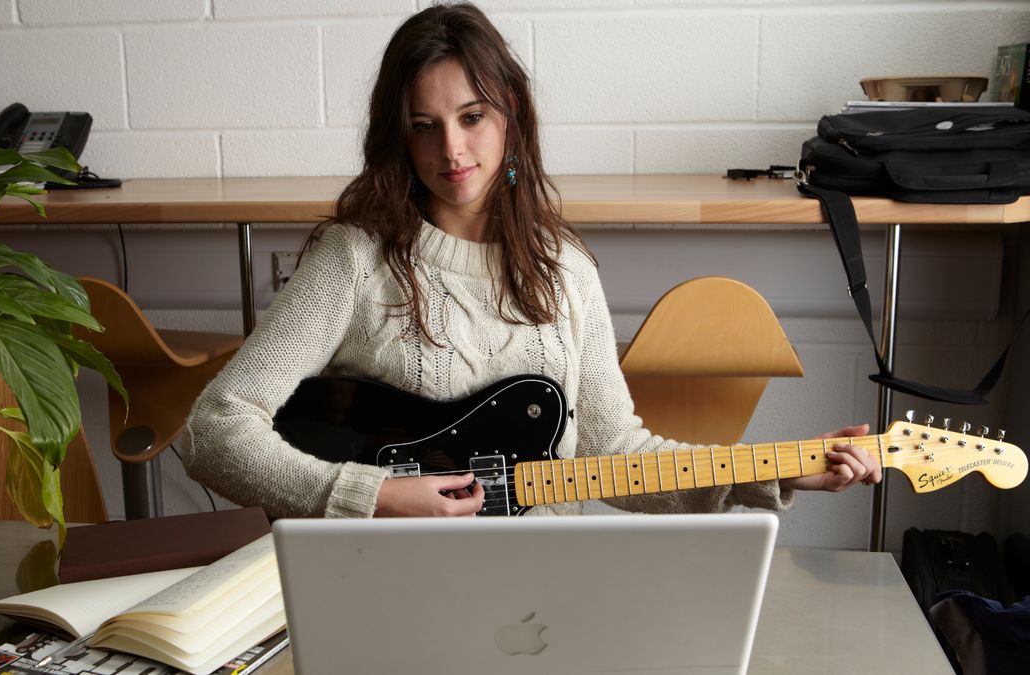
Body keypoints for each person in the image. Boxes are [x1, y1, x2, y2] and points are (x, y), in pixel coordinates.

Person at [182, 1, 882, 519]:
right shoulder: (354, 258)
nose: (450, 151)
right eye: (423, 128)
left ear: (511, 110)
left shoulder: (567, 271)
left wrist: (785, 469)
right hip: (388, 584)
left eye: (472, 117)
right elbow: (214, 427)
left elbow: (615, 455)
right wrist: (372, 494)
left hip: (541, 593)